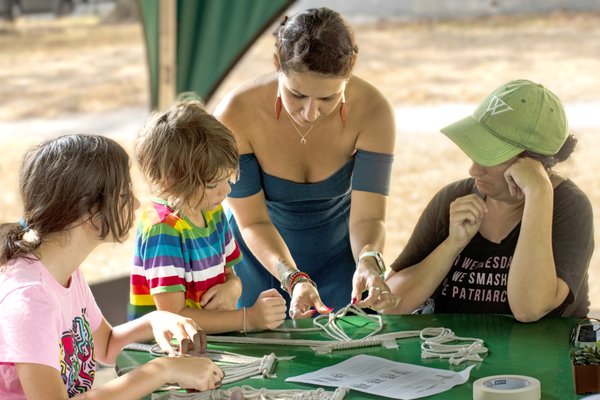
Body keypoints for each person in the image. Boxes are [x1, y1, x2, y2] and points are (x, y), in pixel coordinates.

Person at [0, 134, 225, 399]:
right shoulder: (29, 299)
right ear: (87, 210)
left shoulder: (65, 270)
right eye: (124, 194)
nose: (136, 203)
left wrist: (155, 319)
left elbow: (106, 345)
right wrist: (163, 370)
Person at [214, 7, 398, 318]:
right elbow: (251, 221)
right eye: (296, 94)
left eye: (328, 98)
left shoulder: (374, 111)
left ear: (348, 77)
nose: (310, 113)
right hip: (261, 262)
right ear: (277, 65)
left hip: (342, 262)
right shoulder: (236, 114)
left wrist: (369, 259)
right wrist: (292, 276)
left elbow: (369, 217)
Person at [384, 79, 594, 322]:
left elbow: (530, 308)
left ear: (532, 164)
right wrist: (452, 245)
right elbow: (390, 304)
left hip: (538, 358)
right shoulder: (453, 197)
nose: (473, 169)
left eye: (490, 156)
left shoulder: (570, 207)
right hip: (451, 356)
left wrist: (539, 195)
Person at [130, 99, 287, 333]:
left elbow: (231, 277)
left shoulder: (213, 213)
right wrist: (248, 319)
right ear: (170, 180)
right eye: (213, 184)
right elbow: (173, 317)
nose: (227, 191)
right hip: (166, 352)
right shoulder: (163, 229)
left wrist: (231, 290)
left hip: (208, 344)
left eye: (227, 178)